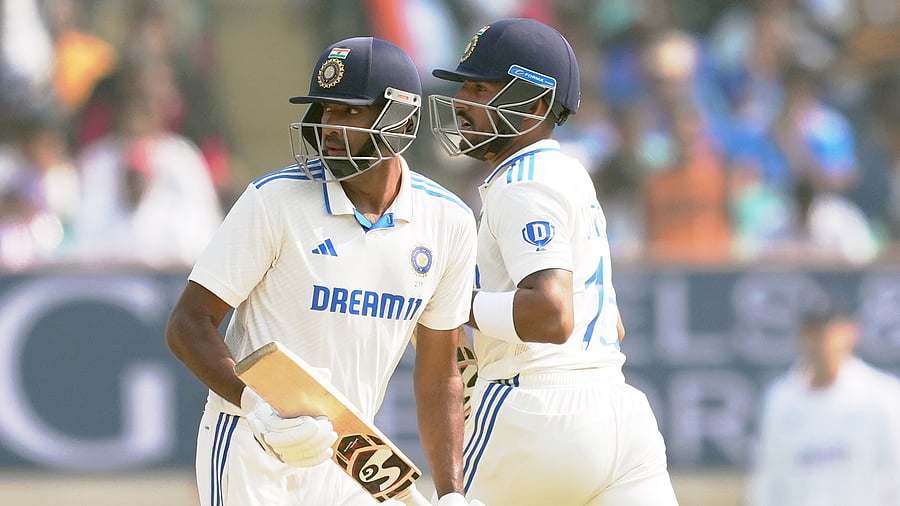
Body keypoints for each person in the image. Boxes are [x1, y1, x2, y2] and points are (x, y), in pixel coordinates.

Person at [166, 37, 482, 506]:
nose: (331, 126)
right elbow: (187, 324)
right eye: (327, 110)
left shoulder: (448, 221)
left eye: (350, 112)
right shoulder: (274, 200)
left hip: (351, 461)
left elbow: (440, 375)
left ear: (401, 120)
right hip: (254, 446)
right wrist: (255, 405)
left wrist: (452, 492)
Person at [428, 17, 679, 506]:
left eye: (480, 89)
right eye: (463, 88)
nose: (460, 102)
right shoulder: (568, 171)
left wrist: (452, 300)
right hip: (621, 414)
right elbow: (612, 323)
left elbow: (552, 314)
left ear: (535, 106)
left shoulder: (521, 181)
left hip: (536, 407)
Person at [746, 298, 900, 506]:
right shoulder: (780, 400)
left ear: (850, 333)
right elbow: (768, 480)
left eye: (829, 331)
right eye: (813, 332)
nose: (821, 341)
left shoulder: (883, 395)